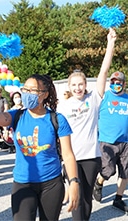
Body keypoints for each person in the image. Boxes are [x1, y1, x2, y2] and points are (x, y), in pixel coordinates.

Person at [0, 69, 79, 220]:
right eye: (25, 89)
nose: (27, 94)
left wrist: (74, 182)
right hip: (23, 183)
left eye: (33, 90)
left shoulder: (57, 119)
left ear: (45, 94)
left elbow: (68, 155)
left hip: (51, 184)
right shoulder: (17, 116)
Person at [57, 28, 117, 220]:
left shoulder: (94, 99)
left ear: (85, 85)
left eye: (80, 84)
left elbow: (104, 71)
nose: (77, 88)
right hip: (71, 157)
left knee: (87, 199)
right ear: (69, 87)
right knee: (76, 196)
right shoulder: (64, 106)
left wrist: (111, 43)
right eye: (74, 85)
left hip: (91, 157)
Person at [93, 71, 128, 213]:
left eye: (118, 82)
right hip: (107, 142)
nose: (115, 84)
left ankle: (118, 199)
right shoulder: (104, 97)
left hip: (125, 142)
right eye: (113, 82)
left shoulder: (127, 98)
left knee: (125, 172)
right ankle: (98, 182)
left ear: (124, 84)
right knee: (109, 170)